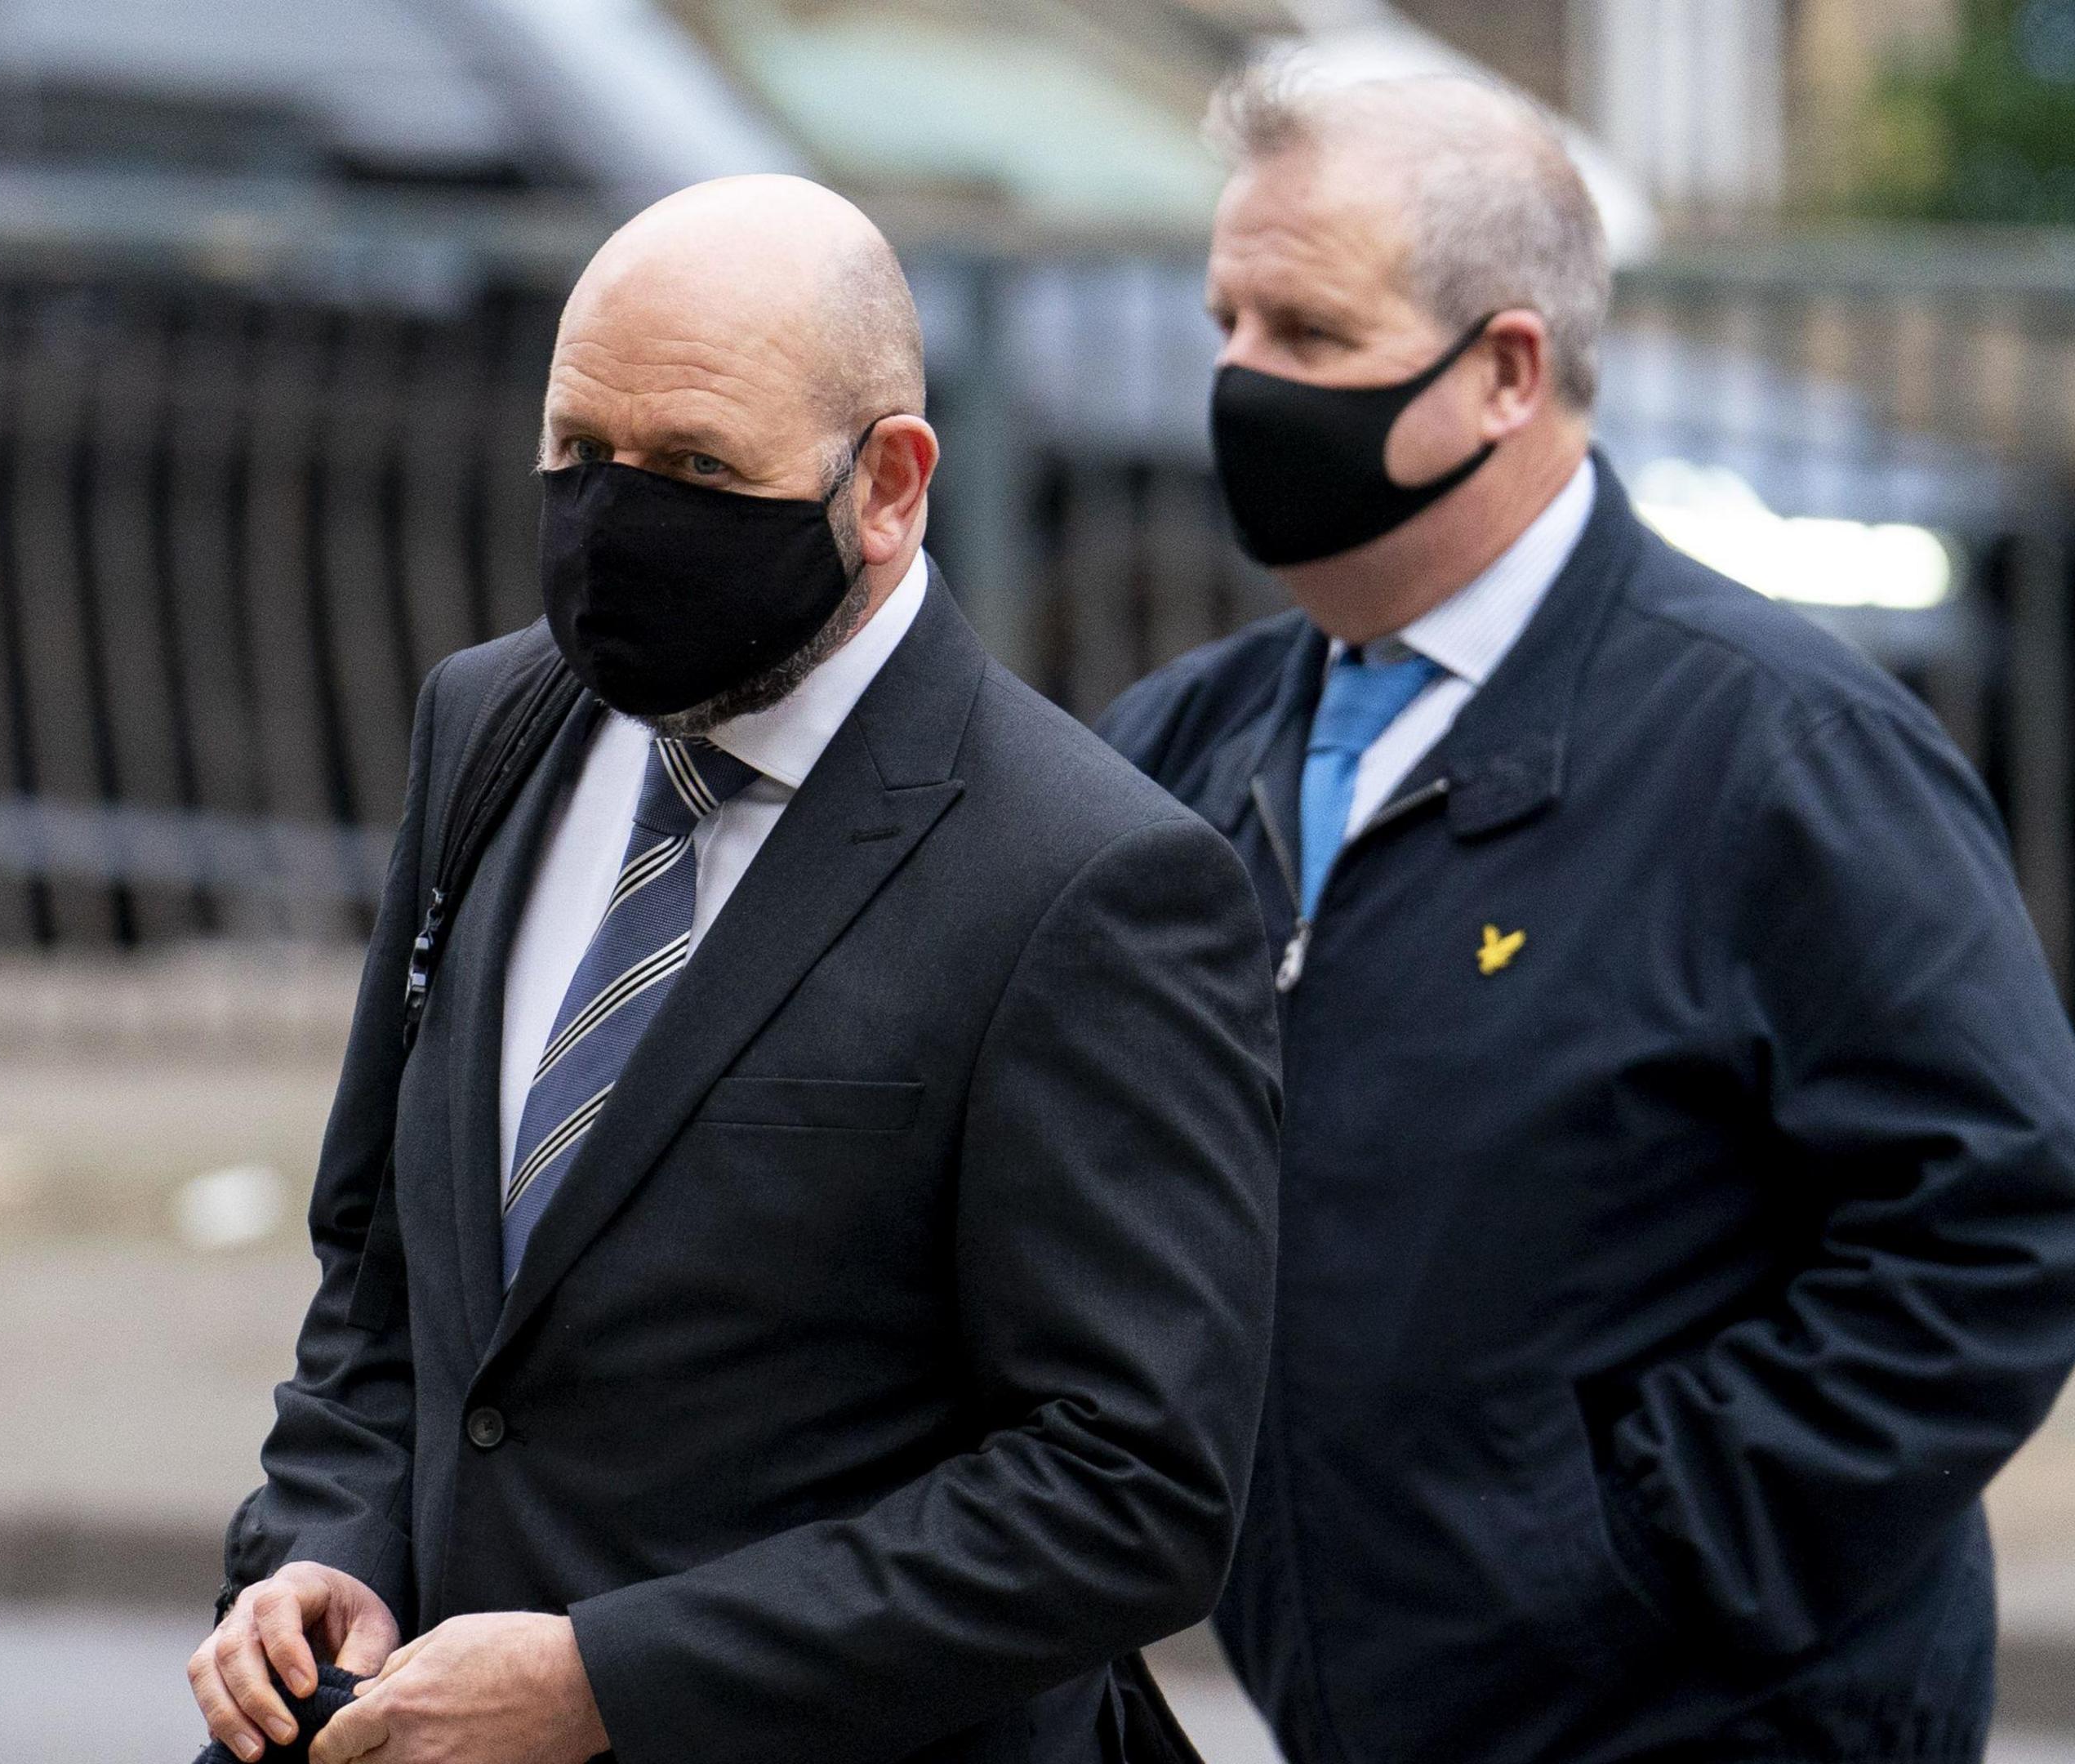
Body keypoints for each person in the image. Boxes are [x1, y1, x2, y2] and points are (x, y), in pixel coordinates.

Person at [1096, 58, 2075, 1764]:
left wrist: (1631, 1553)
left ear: (1506, 370)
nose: (1236, 382)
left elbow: (2005, 1220)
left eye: (1306, 333)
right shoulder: (1191, 744)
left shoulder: (1780, 749)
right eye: (1224, 322)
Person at [192, 175, 1282, 1764]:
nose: (619, 523)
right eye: (579, 456)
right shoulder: (490, 727)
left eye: (699, 467)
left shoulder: (1092, 882)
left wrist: (607, 1681)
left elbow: (1128, 1491)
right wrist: (326, 1543)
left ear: (891, 485)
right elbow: (386, 1268)